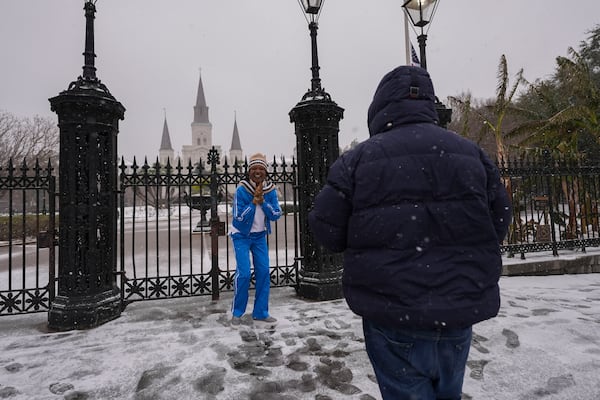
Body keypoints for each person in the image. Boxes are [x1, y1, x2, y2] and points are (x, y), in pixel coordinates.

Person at [308, 66, 512, 400]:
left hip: (393, 311)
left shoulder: (359, 160)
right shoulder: (471, 155)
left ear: (381, 106)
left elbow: (324, 227)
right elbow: (499, 218)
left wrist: (367, 243)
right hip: (457, 311)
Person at [230, 153, 281, 326]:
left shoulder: (270, 190)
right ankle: (237, 313)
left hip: (259, 236)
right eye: (254, 168)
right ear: (249, 171)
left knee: (264, 272)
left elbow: (276, 214)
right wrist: (253, 202)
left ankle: (260, 312)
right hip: (241, 236)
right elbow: (238, 217)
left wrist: (263, 202)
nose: (258, 171)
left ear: (266, 172)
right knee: (244, 274)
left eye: (261, 168)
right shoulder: (242, 189)